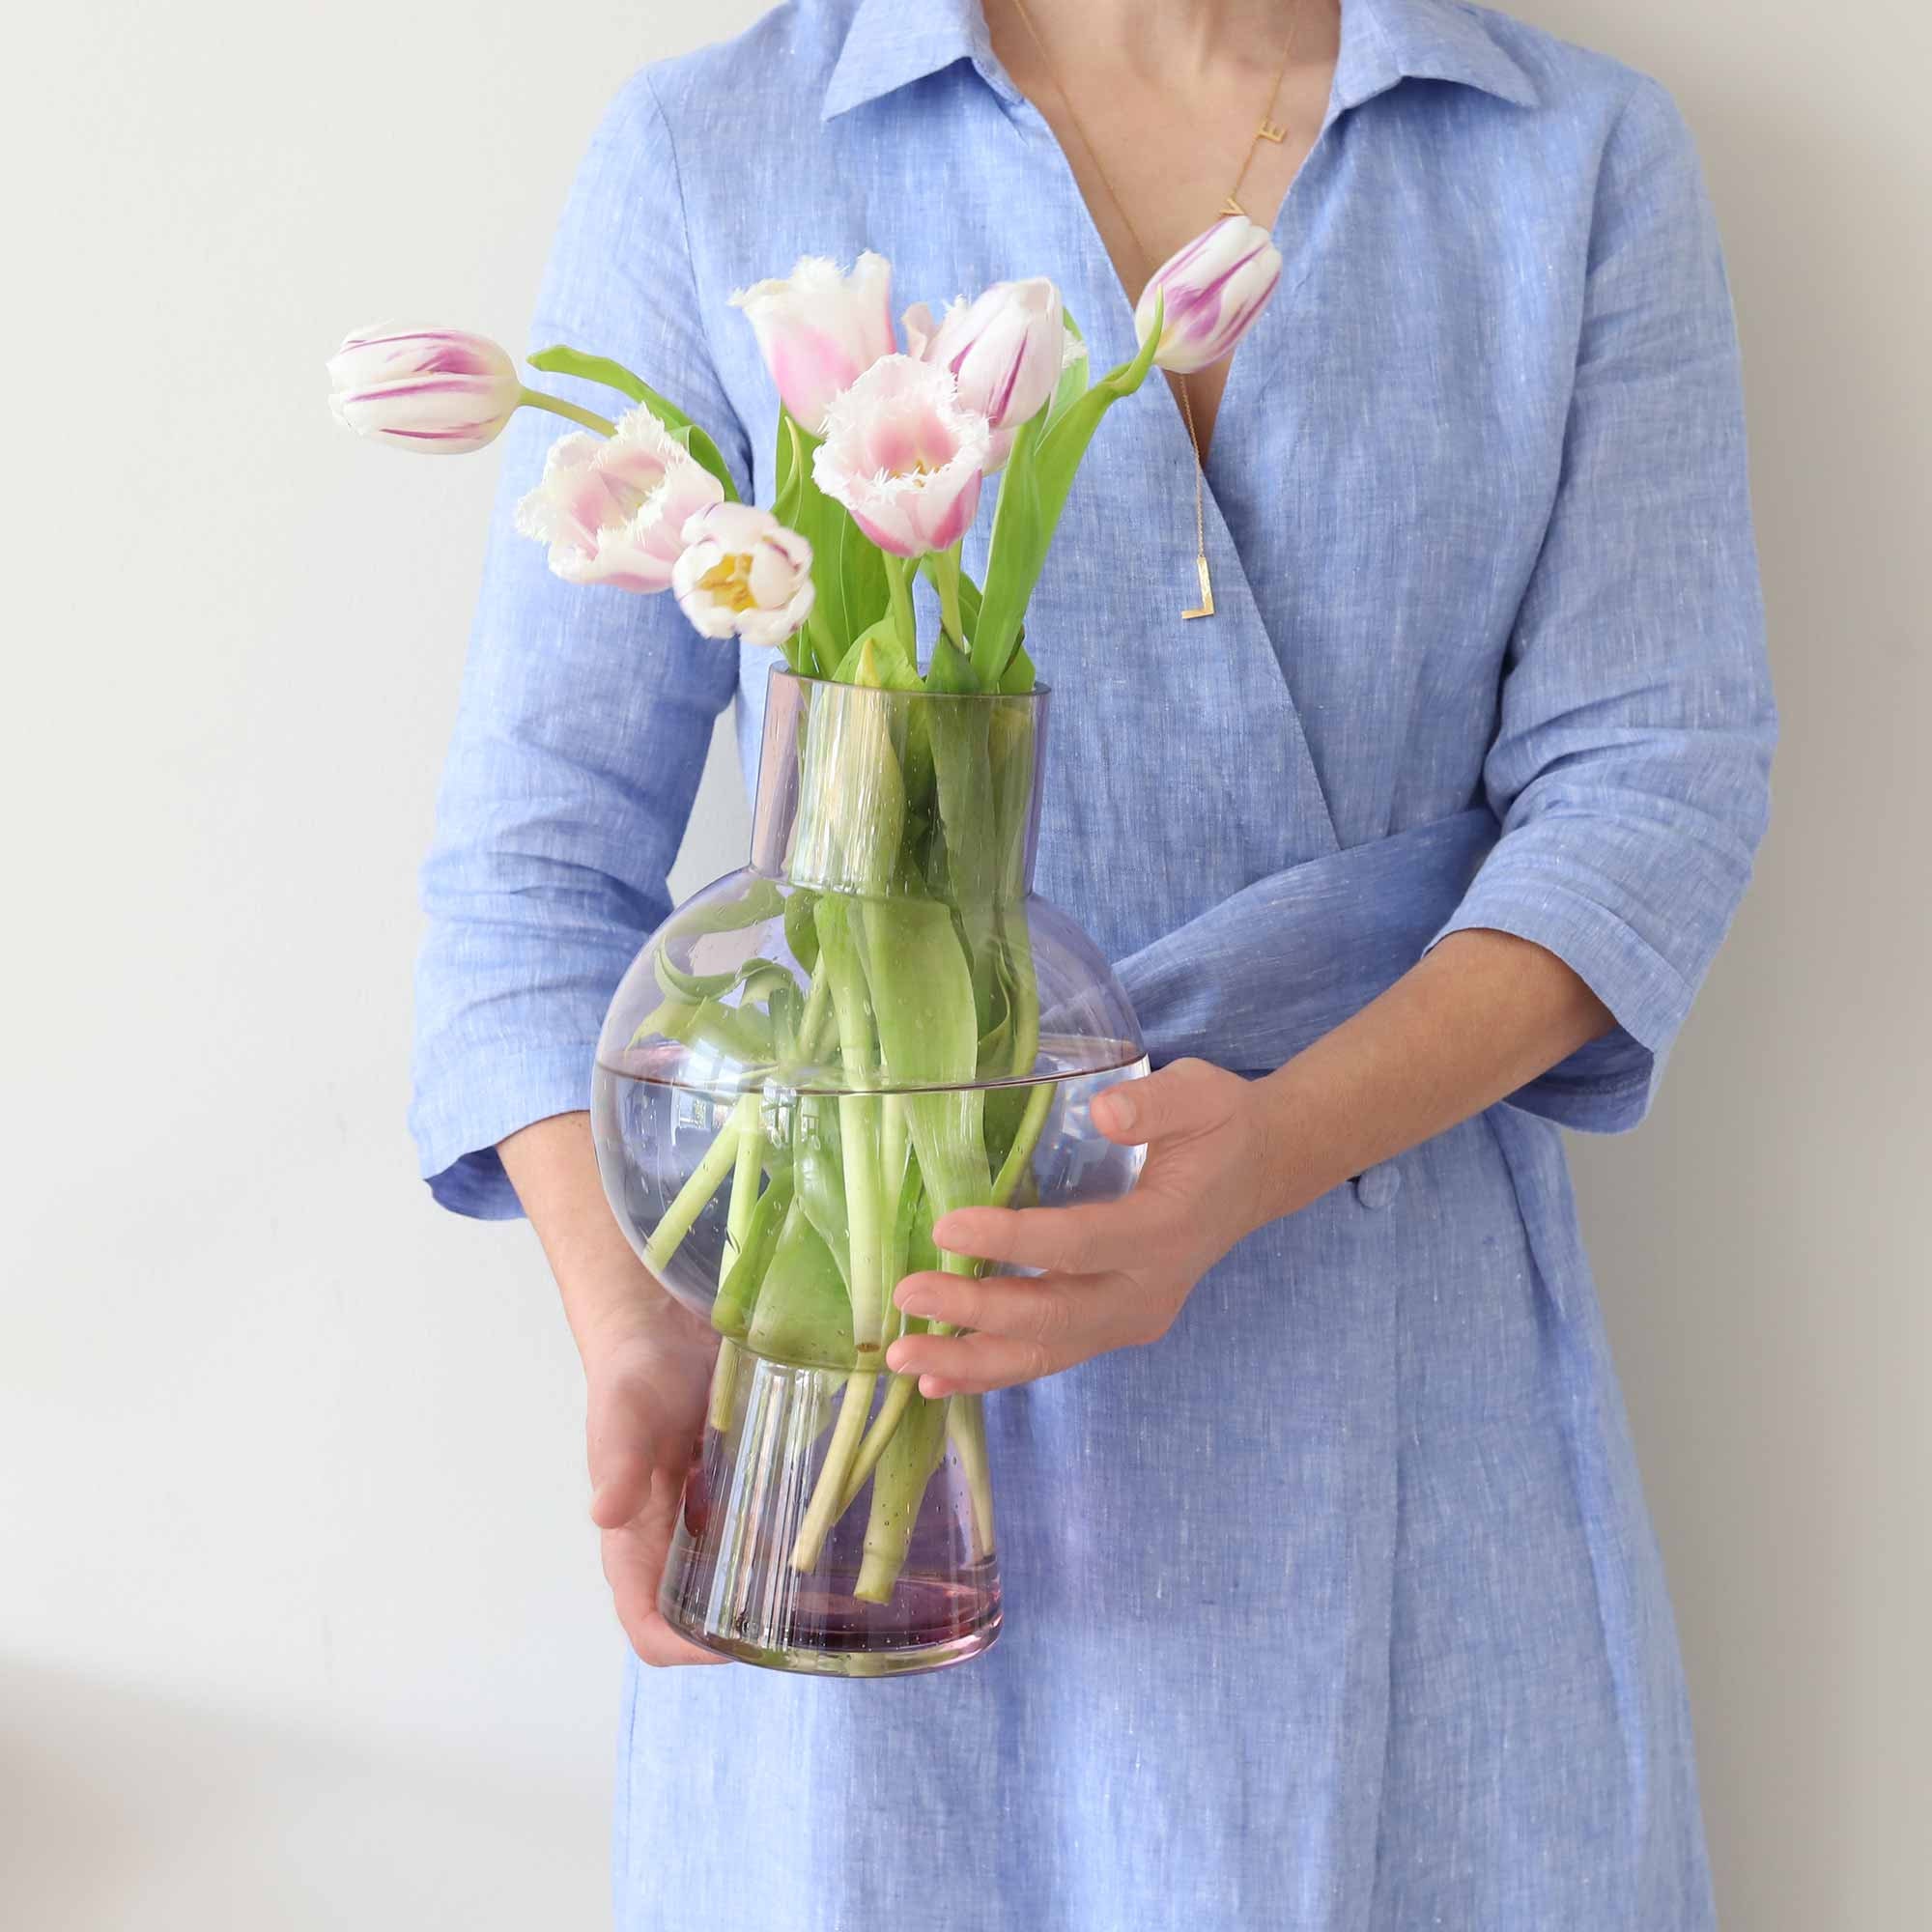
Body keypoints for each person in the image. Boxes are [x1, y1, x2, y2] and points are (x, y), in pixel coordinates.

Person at [410, 1, 1775, 1925]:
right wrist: (636, 1322)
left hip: (1392, 1377)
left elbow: (1656, 779)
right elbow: (530, 878)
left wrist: (1271, 1152)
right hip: (843, 1420)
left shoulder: (1564, 157)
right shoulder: (722, 144)